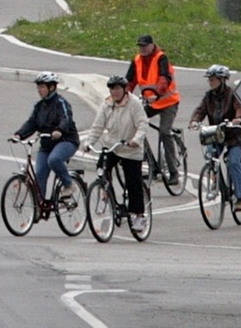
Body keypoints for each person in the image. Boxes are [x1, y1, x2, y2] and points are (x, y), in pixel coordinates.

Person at [83, 76, 149, 230]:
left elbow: (142, 124)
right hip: (112, 145)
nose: (115, 92)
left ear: (125, 89)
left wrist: (136, 140)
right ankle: (106, 191)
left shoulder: (134, 104)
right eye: (112, 89)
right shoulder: (107, 105)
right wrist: (89, 143)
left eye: (118, 88)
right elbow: (98, 127)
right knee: (101, 167)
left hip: (130, 148)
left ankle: (139, 215)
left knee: (133, 181)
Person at [188, 65, 241, 212]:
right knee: (210, 156)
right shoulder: (208, 96)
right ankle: (216, 181)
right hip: (217, 134)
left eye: (213, 79)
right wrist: (194, 121)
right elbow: (200, 110)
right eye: (209, 79)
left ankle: (240, 198)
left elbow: (240, 108)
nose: (210, 82)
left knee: (234, 162)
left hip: (234, 135)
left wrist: (238, 119)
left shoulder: (233, 94)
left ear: (222, 80)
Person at [15, 72, 80, 200]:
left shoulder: (61, 103)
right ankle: (39, 207)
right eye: (38, 87)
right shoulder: (39, 106)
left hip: (66, 141)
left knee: (54, 159)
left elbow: (66, 119)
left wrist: (59, 130)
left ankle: (69, 184)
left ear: (52, 87)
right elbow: (32, 122)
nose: (39, 90)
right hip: (46, 144)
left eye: (42, 87)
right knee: (40, 173)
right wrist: (19, 134)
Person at [126, 34, 181, 185]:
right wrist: (124, 97)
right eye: (140, 46)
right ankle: (152, 165)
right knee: (135, 126)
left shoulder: (161, 58)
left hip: (168, 101)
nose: (142, 49)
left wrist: (157, 92)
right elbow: (129, 82)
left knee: (164, 131)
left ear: (152, 45)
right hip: (151, 103)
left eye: (145, 46)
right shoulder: (137, 60)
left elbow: (165, 77)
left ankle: (173, 172)